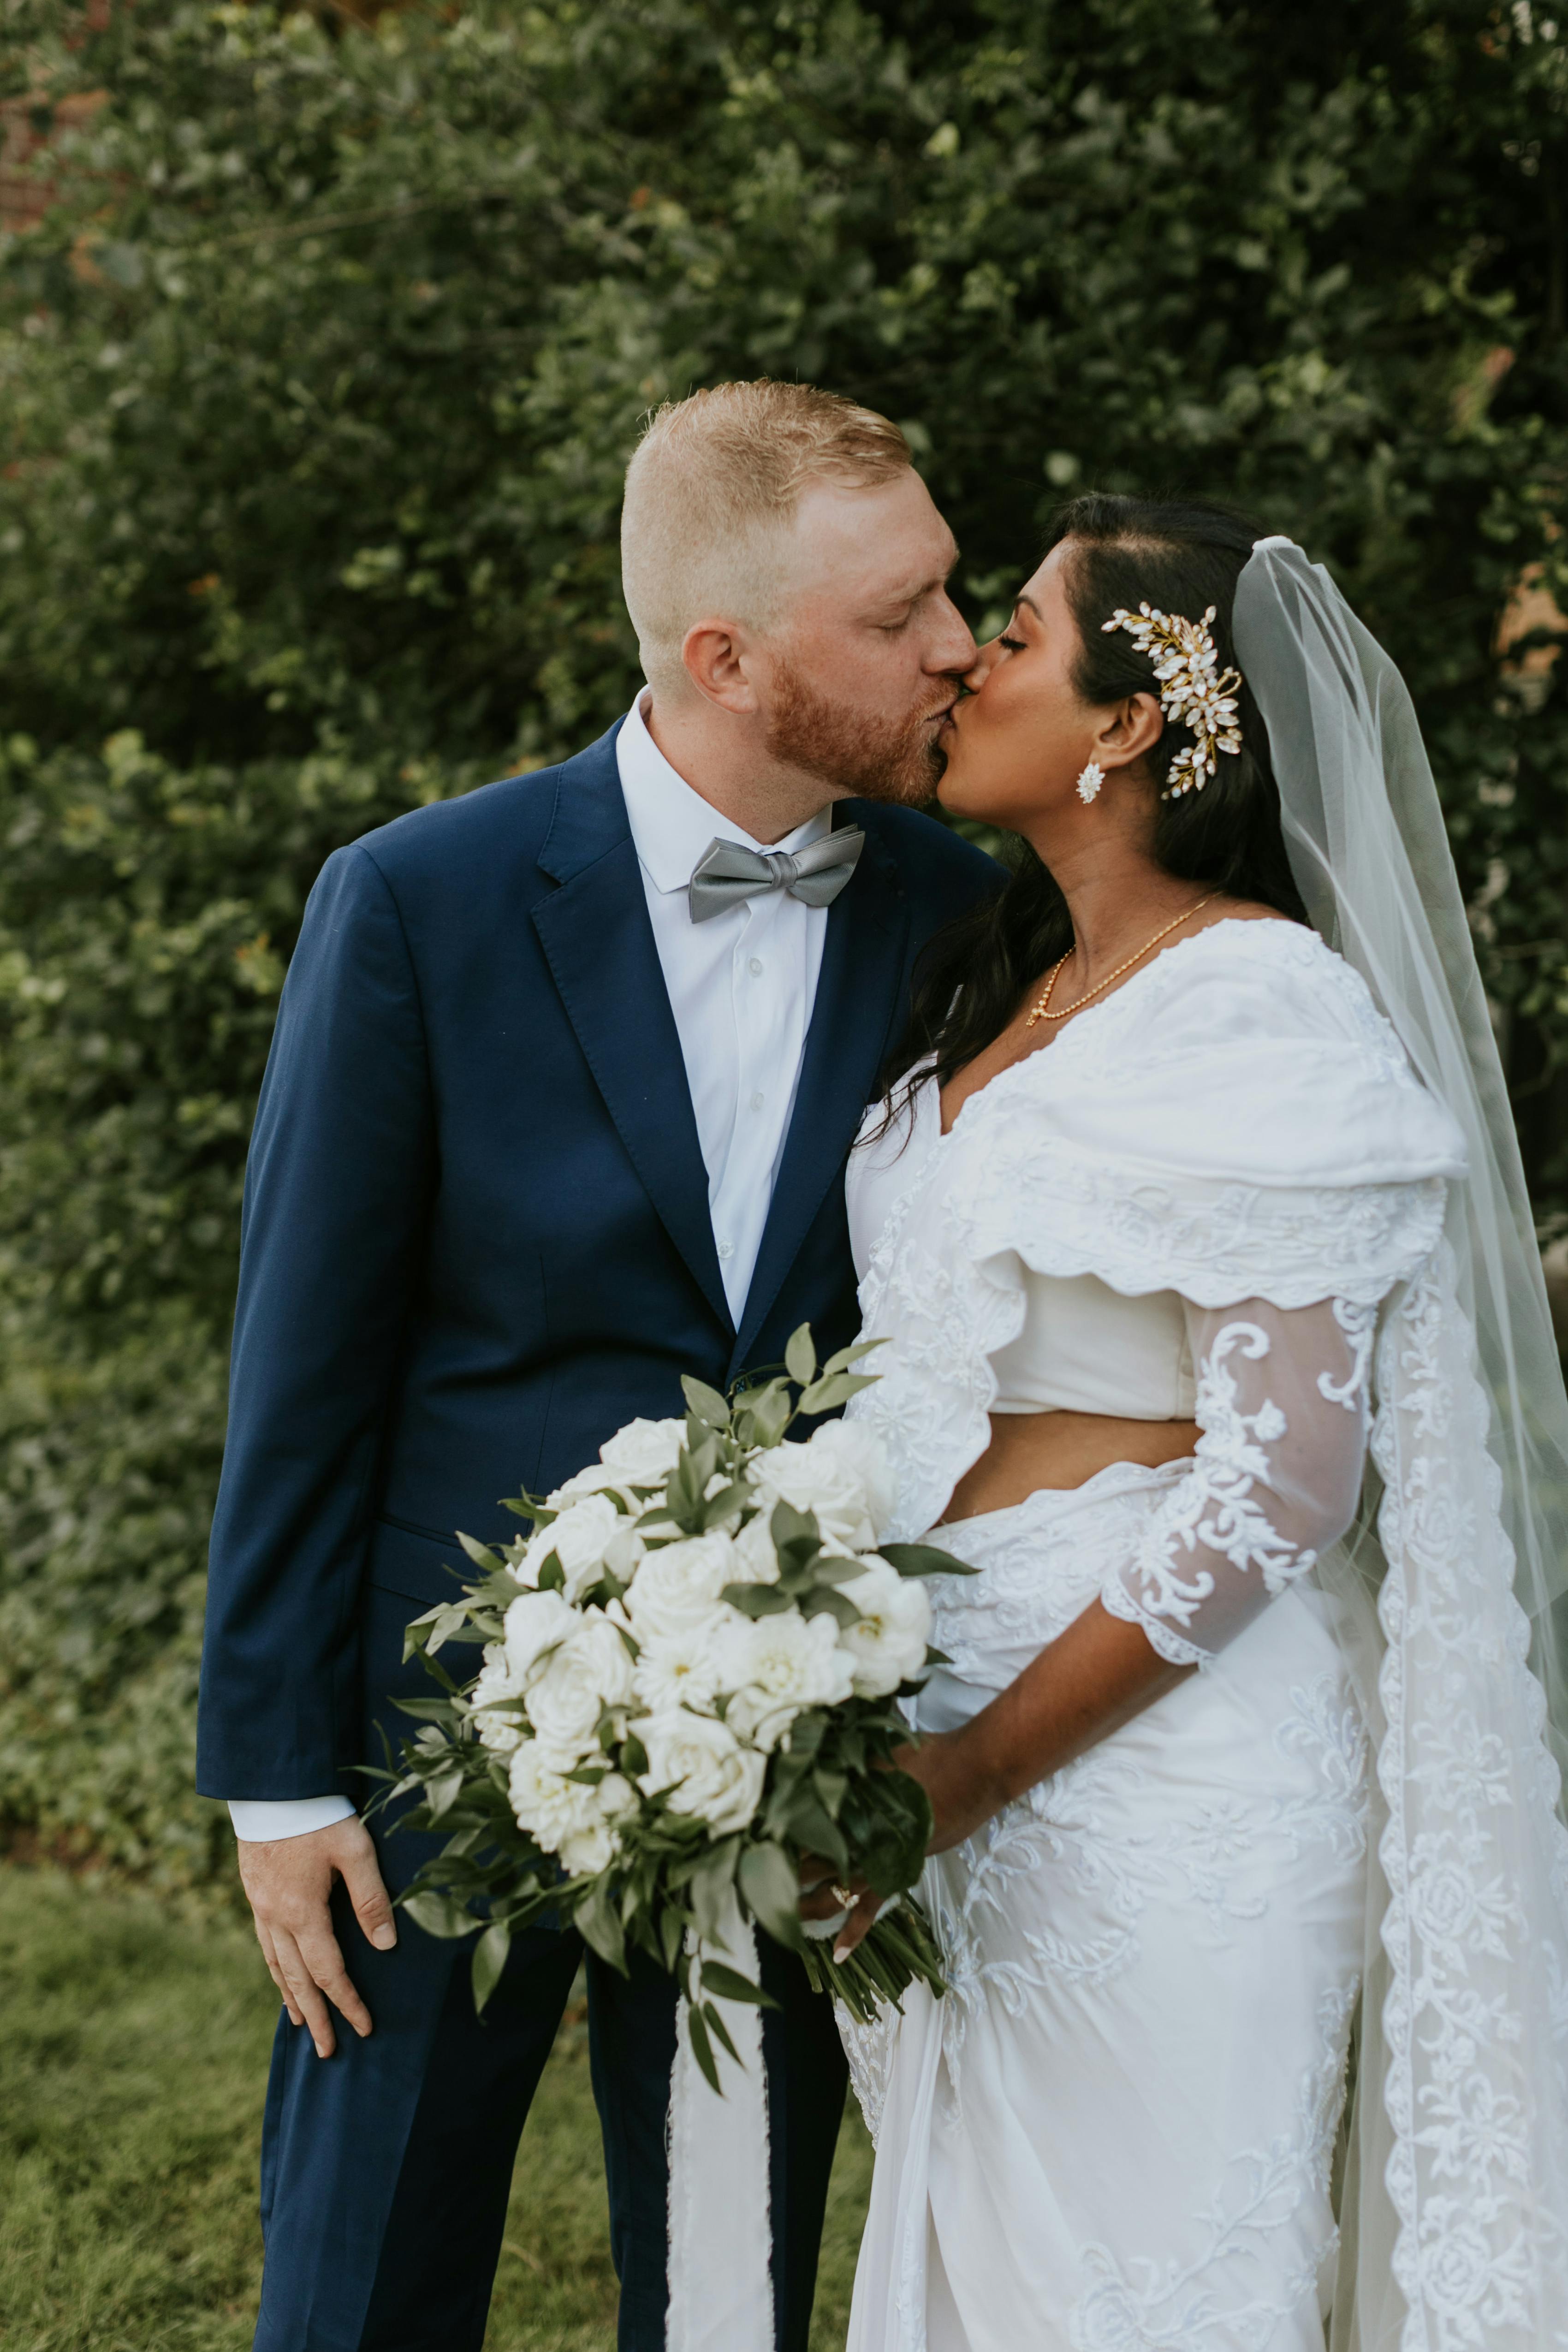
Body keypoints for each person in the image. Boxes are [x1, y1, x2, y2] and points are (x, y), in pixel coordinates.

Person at [195, 377, 998, 2352]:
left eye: (951, 597)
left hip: (789, 1726)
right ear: (726, 656)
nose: (957, 650)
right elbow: (304, 1361)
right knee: (369, 2274)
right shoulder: (419, 899)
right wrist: (276, 1778)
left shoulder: (957, 909)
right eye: (899, 616)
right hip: (439, 1739)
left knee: (724, 2274)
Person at [827, 497, 1568, 2348]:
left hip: (1150, 1764)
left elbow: (1283, 1482)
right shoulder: (996, 984)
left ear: (1130, 722)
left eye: (1010, 631)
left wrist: (971, 1771)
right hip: (938, 1747)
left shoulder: (1261, 1010)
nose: (967, 662)